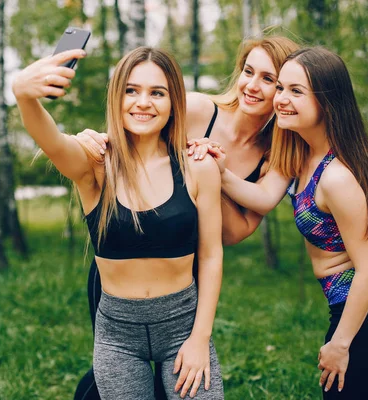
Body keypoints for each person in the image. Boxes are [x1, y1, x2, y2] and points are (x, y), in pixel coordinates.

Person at [74, 35, 300, 400]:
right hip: (124, 256)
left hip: (185, 270)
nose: (253, 86)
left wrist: (214, 175)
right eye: (248, 71)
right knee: (117, 370)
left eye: (269, 79)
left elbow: (237, 230)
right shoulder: (197, 109)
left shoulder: (278, 150)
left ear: (285, 90)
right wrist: (92, 142)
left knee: (182, 377)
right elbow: (135, 133)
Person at [210, 47, 368, 399]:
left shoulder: (337, 177)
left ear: (327, 102)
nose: (280, 99)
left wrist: (340, 343)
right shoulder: (299, 149)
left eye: (296, 91)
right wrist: (220, 173)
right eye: (281, 88)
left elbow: (367, 269)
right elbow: (264, 197)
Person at [12, 46, 225, 399]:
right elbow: (49, 140)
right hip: (117, 336)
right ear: (116, 97)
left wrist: (200, 337)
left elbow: (211, 256)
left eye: (157, 93)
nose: (143, 102)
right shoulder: (95, 163)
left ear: (174, 103)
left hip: (183, 326)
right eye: (131, 90)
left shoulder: (197, 166)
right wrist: (24, 95)